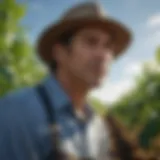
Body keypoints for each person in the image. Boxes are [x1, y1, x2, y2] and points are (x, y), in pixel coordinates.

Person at [0, 1, 144, 160]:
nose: (103, 55)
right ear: (59, 53)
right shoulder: (16, 114)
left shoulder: (98, 125)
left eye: (108, 46)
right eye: (91, 42)